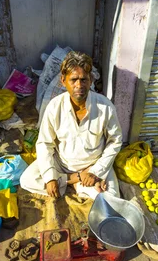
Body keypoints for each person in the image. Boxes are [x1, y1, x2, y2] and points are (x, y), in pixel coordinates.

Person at [20, 51, 123, 199]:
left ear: (91, 80)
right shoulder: (54, 106)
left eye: (83, 79)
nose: (79, 85)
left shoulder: (105, 107)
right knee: (28, 179)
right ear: (63, 81)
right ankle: (75, 180)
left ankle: (75, 182)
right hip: (61, 163)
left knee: (111, 198)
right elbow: (44, 143)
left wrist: (96, 171)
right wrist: (50, 178)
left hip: (92, 165)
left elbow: (115, 141)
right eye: (73, 80)